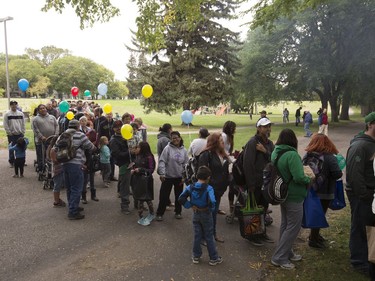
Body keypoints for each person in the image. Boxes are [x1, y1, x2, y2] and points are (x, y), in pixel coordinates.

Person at [271, 128, 313, 270]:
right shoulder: (292, 155)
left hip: (282, 193)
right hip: (294, 195)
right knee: (293, 227)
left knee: (286, 224)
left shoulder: (276, 152)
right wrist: (309, 178)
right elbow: (298, 177)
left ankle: (286, 252)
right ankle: (279, 257)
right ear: (293, 140)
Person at [346, 112, 375, 276]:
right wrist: (364, 195)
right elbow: (354, 174)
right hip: (361, 195)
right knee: (359, 226)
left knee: (370, 227)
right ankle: (359, 261)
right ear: (370, 124)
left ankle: (369, 256)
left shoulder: (372, 144)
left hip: (371, 195)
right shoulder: (360, 146)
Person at [303, 133, 343, 248]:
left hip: (311, 190)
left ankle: (315, 236)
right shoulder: (330, 157)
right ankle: (313, 239)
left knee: (314, 214)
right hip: (325, 192)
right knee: (320, 215)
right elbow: (337, 173)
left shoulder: (308, 155)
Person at [178, 166, 223, 266]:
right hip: (206, 213)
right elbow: (212, 201)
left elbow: (181, 198)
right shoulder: (209, 188)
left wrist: (189, 205)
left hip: (196, 213)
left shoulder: (191, 187)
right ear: (208, 177)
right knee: (209, 236)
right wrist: (211, 210)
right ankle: (214, 258)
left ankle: (196, 256)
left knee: (197, 235)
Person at [242, 117, 275, 246]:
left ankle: (261, 232)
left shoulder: (269, 144)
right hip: (254, 183)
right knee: (253, 209)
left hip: (266, 182)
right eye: (265, 126)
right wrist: (250, 184)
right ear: (258, 128)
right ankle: (252, 235)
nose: (267, 129)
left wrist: (265, 151)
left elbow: (274, 159)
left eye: (269, 126)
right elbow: (247, 164)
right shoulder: (252, 142)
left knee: (263, 208)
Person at [60, 119, 96, 220]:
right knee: (77, 188)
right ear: (77, 126)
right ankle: (73, 212)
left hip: (64, 163)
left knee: (70, 187)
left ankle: (72, 206)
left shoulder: (62, 135)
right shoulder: (80, 135)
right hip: (76, 164)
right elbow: (90, 147)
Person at [198, 132, 230, 243]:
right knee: (207, 214)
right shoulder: (206, 154)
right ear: (215, 142)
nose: (223, 143)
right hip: (208, 190)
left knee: (213, 213)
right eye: (221, 141)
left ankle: (212, 234)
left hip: (219, 190)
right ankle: (203, 237)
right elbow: (201, 174)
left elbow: (224, 171)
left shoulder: (223, 154)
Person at [156, 131, 189, 221]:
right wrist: (162, 173)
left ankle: (178, 212)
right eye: (173, 138)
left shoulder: (184, 150)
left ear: (180, 138)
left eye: (177, 137)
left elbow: (186, 165)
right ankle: (159, 213)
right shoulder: (167, 149)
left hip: (179, 177)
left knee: (179, 196)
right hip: (168, 176)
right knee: (164, 196)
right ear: (171, 139)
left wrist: (184, 177)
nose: (175, 139)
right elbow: (162, 161)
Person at [109, 120, 132, 215]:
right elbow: (117, 154)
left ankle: (139, 204)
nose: (118, 128)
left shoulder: (126, 136)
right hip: (124, 164)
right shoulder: (114, 140)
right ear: (113, 128)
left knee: (134, 183)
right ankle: (125, 205)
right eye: (116, 127)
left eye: (120, 126)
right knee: (125, 186)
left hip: (132, 163)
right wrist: (130, 152)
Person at [131, 141, 156, 226]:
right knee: (140, 199)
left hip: (146, 181)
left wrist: (141, 170)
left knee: (147, 198)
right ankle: (141, 217)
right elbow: (135, 164)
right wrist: (133, 169)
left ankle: (151, 213)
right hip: (137, 180)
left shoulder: (149, 157)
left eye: (138, 147)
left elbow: (151, 170)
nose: (136, 149)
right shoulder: (137, 156)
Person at [32, 104, 59, 175]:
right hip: (41, 141)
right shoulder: (35, 119)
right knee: (41, 155)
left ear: (46, 109)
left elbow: (56, 126)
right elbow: (35, 129)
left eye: (44, 108)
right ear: (38, 110)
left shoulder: (52, 117)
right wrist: (41, 137)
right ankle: (41, 169)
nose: (43, 109)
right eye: (41, 109)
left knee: (50, 155)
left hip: (52, 140)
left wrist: (56, 135)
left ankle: (50, 169)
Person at [4, 100, 25, 168]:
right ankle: (11, 161)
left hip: (20, 134)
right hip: (11, 135)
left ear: (17, 105)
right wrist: (9, 133)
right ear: (10, 105)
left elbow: (23, 124)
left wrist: (22, 132)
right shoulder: (7, 114)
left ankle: (21, 161)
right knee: (11, 148)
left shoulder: (20, 114)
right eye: (12, 104)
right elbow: (5, 124)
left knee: (21, 148)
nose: (14, 106)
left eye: (15, 104)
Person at [221, 121, 237, 216]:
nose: (234, 130)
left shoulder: (230, 137)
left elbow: (228, 150)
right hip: (222, 161)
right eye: (233, 128)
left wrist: (232, 155)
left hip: (227, 161)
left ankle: (232, 208)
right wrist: (228, 157)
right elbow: (221, 149)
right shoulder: (223, 136)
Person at [47, 135, 66, 208]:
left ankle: (58, 199)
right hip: (57, 170)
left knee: (60, 184)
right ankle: (56, 201)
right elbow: (54, 160)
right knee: (57, 185)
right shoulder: (53, 149)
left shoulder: (60, 148)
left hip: (61, 169)